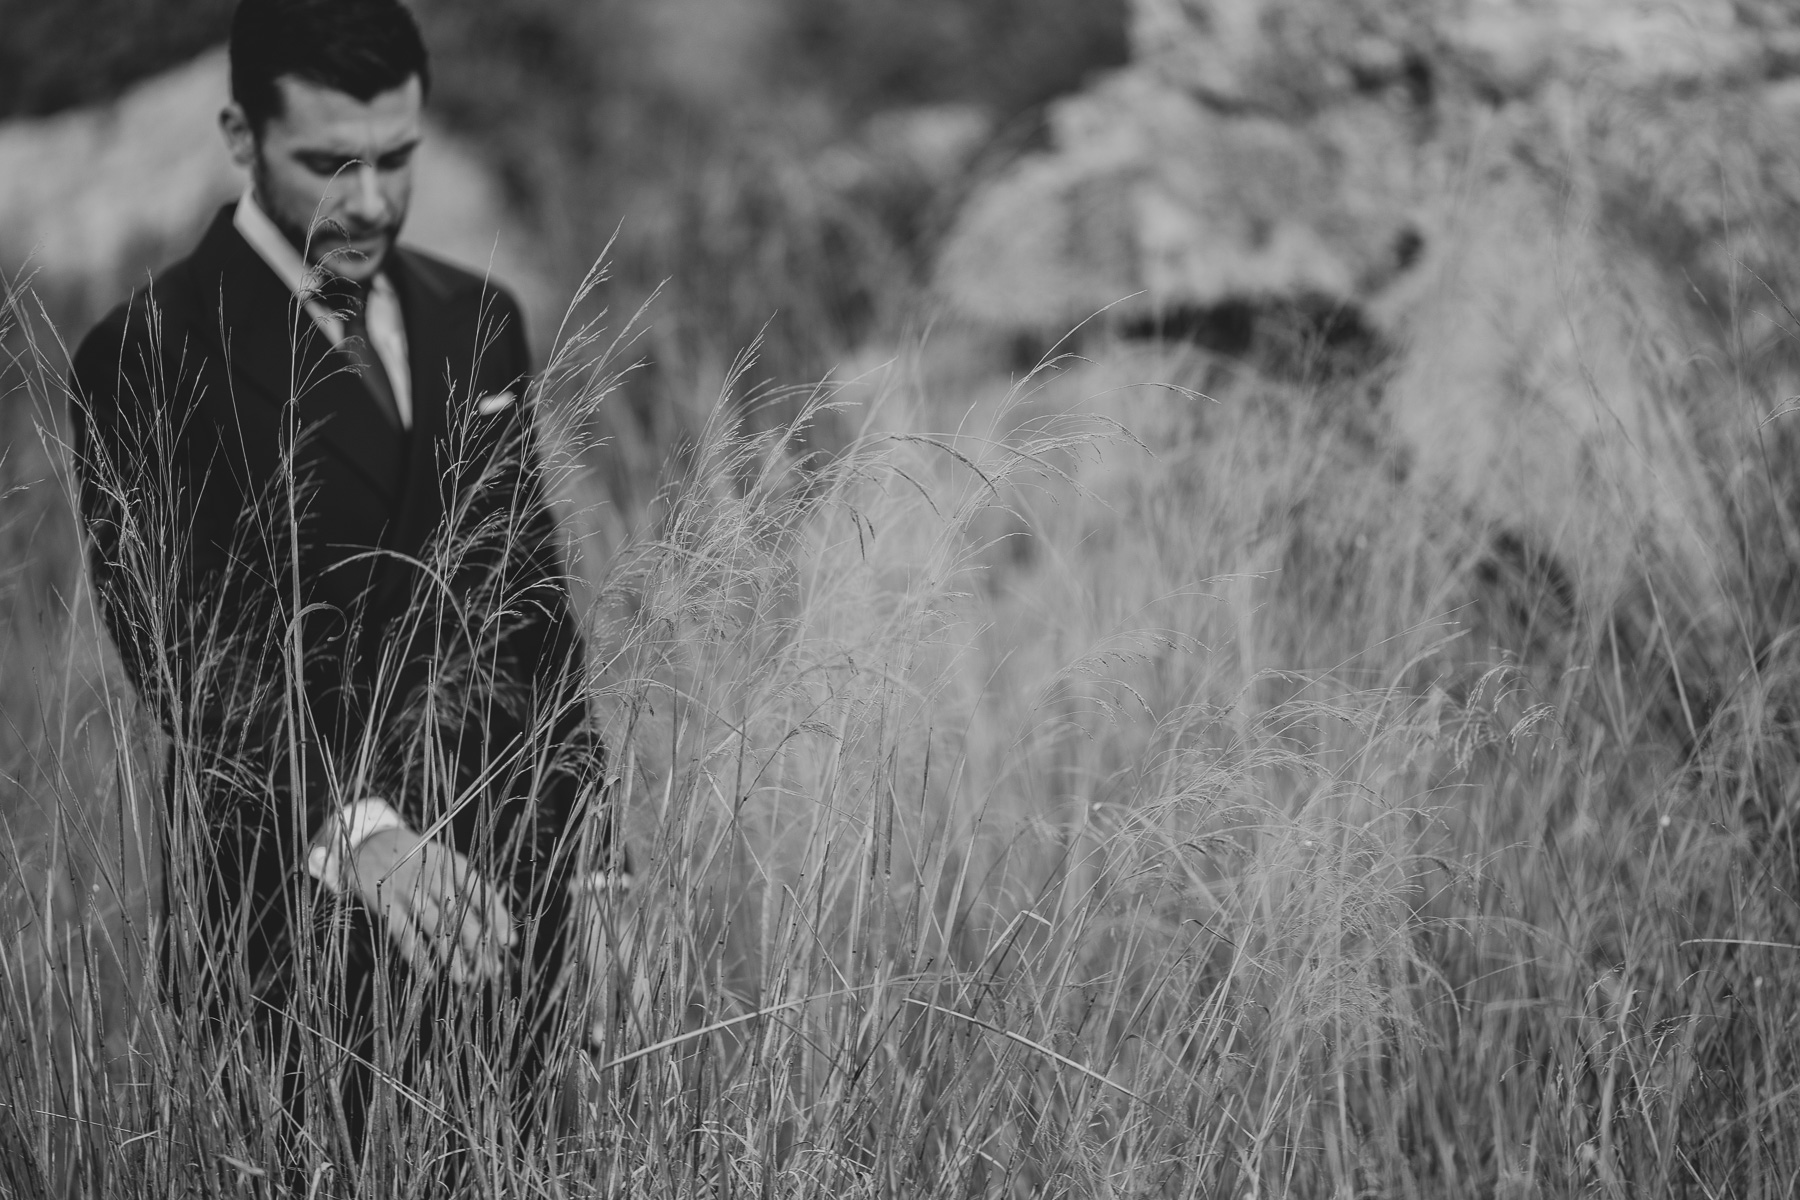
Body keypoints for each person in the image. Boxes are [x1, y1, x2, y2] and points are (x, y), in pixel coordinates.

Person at [66, 0, 621, 1171]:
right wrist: (364, 834)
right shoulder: (148, 353)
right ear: (240, 136)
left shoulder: (478, 320)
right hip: (291, 945)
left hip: (508, 917)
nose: (370, 201)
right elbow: (187, 651)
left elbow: (532, 605)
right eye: (330, 165)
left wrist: (599, 866)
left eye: (397, 157)